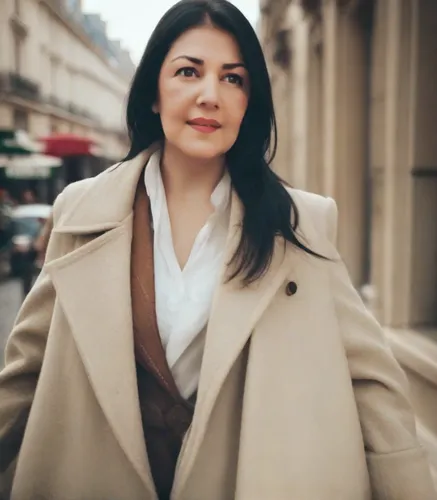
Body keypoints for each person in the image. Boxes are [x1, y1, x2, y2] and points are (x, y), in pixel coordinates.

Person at [0, 1, 435, 499]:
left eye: (233, 79)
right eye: (189, 71)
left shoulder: (299, 225)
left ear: (250, 101)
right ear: (153, 95)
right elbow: (24, 376)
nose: (211, 95)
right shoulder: (80, 213)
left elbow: (373, 384)